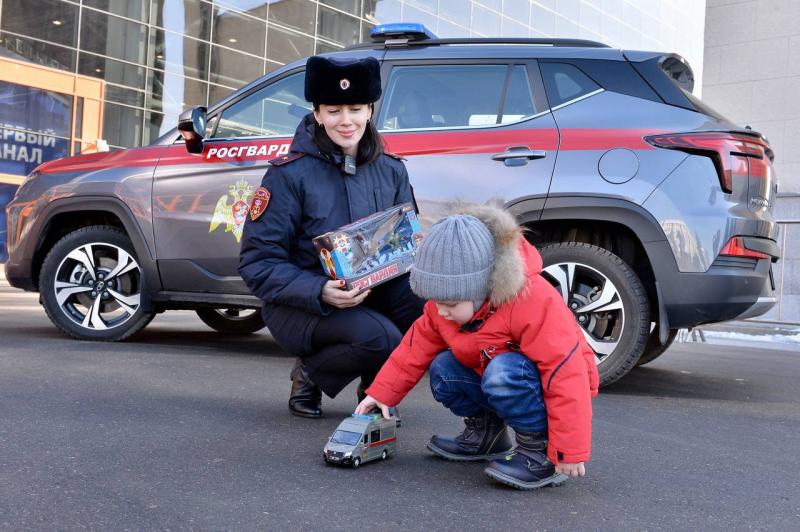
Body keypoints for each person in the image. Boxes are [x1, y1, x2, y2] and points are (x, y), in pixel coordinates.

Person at [356, 203, 599, 490]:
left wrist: (567, 450)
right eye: (435, 302)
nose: (441, 311)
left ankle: (539, 453)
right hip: (501, 379)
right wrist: (382, 394)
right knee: (443, 369)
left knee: (502, 373)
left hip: (542, 386)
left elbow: (565, 373)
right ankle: (488, 435)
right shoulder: (442, 307)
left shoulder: (532, 301)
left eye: (451, 304)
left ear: (481, 288)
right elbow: (412, 350)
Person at [239, 55, 424, 419]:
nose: (346, 121)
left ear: (370, 110)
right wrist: (318, 291)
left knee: (429, 312)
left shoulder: (392, 171)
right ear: (318, 114)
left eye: (355, 108)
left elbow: (406, 243)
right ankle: (309, 372)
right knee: (381, 338)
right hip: (302, 305)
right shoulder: (288, 176)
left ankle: (375, 394)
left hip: (372, 292)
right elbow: (256, 263)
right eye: (334, 110)